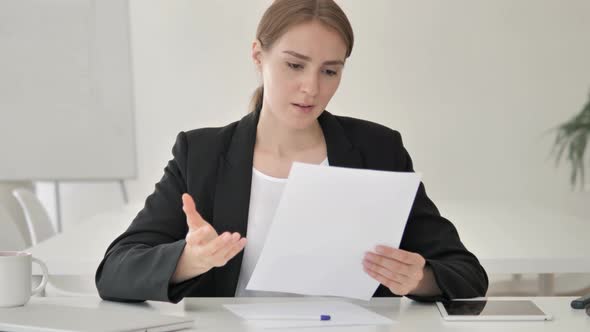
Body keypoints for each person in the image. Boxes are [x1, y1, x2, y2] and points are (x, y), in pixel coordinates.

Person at [95, 0, 488, 303]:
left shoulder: (379, 150)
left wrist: (419, 279)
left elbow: (466, 272)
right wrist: (190, 260)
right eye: (295, 65)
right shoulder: (200, 154)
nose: (311, 88)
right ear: (258, 57)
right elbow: (113, 271)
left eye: (329, 71)